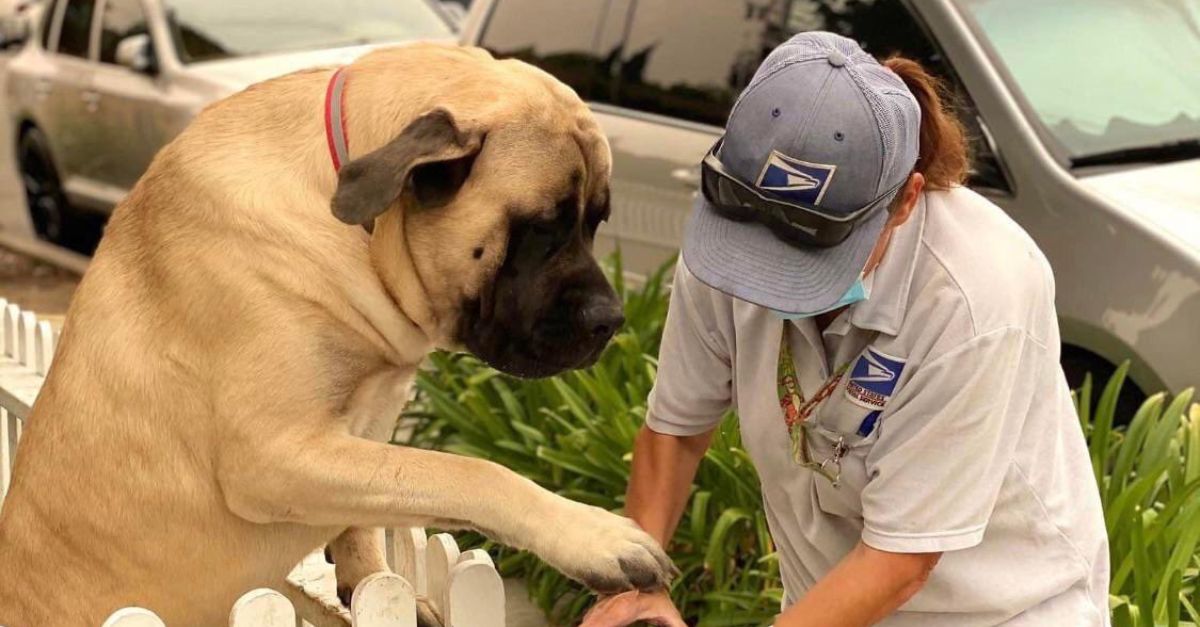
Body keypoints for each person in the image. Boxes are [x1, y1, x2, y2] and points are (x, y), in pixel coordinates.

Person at [583, 32, 1109, 627]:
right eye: (758, 236)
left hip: (996, 614)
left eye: (809, 246)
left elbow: (900, 560)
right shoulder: (733, 236)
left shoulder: (975, 297)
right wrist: (638, 587)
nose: (767, 275)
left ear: (906, 199)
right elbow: (676, 432)